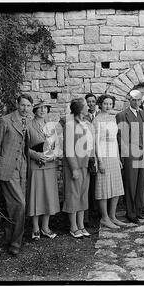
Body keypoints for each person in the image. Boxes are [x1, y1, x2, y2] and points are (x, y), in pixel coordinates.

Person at [0, 93, 33, 256]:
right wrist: (1, 165)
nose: (25, 108)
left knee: (14, 205)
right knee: (20, 204)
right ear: (17, 104)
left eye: (28, 106)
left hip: (22, 166)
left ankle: (9, 237)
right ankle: (16, 243)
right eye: (22, 105)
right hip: (8, 168)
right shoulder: (4, 121)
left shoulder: (28, 121)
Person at [26, 99, 61, 241]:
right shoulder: (28, 125)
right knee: (36, 196)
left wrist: (52, 157)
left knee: (48, 196)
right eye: (39, 108)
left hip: (49, 165)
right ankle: (35, 228)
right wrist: (35, 155)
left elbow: (57, 146)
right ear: (34, 110)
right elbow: (23, 147)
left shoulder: (51, 126)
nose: (42, 110)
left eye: (45, 108)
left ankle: (45, 227)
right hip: (35, 165)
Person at [116, 89, 144, 224]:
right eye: (133, 100)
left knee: (140, 182)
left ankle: (138, 210)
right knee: (131, 183)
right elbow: (120, 138)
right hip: (131, 154)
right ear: (128, 100)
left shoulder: (142, 114)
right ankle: (130, 213)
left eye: (138, 100)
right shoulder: (122, 115)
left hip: (143, 153)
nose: (136, 102)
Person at [62, 98, 95, 238]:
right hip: (74, 166)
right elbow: (68, 149)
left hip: (85, 165)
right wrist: (74, 168)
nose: (89, 106)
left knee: (82, 195)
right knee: (73, 195)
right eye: (86, 105)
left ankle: (81, 225)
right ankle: (73, 226)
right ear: (80, 108)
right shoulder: (70, 125)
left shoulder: (87, 123)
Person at [93, 94, 126, 229]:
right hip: (103, 156)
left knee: (116, 187)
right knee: (103, 187)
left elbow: (114, 140)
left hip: (113, 155)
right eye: (105, 103)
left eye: (110, 104)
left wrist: (118, 158)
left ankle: (113, 216)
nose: (108, 106)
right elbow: (96, 143)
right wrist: (99, 161)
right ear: (100, 104)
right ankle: (105, 218)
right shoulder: (97, 120)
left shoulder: (112, 119)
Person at [83, 93, 99, 225]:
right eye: (88, 102)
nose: (91, 104)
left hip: (100, 153)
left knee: (97, 185)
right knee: (88, 187)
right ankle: (87, 216)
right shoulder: (83, 117)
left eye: (93, 101)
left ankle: (97, 212)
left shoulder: (100, 115)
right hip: (88, 153)